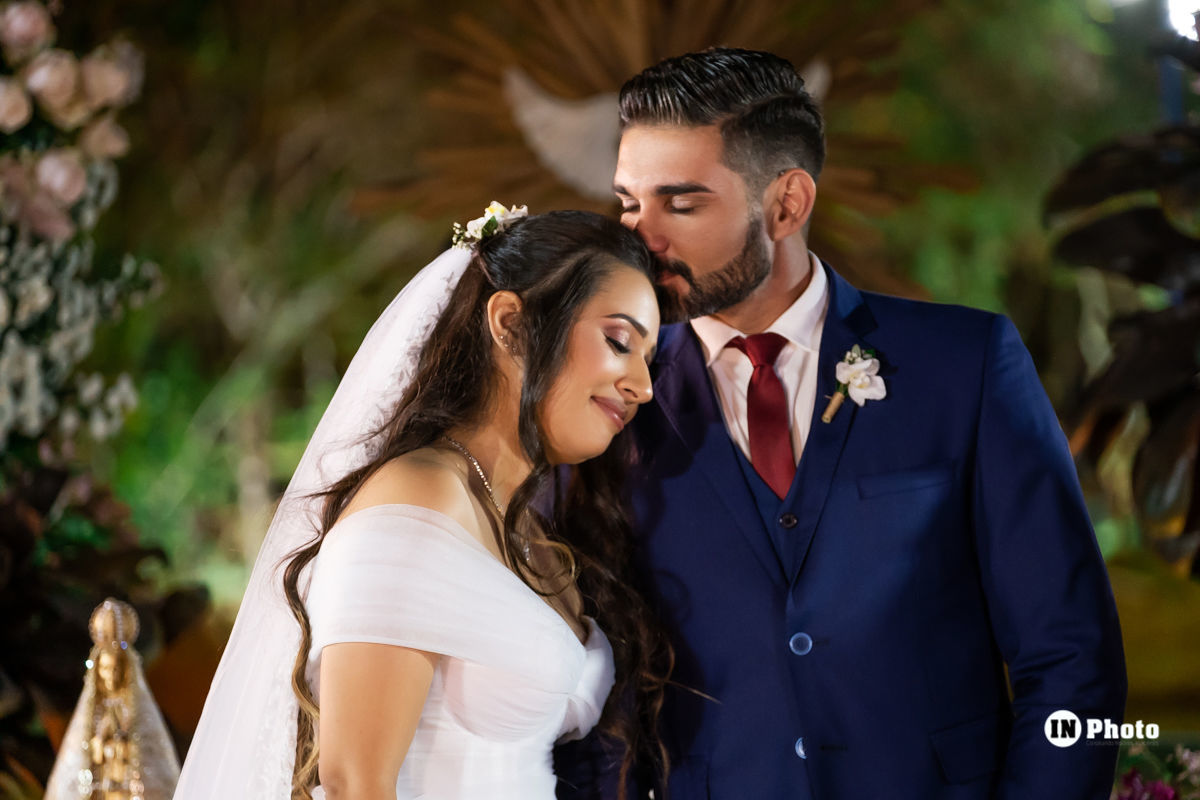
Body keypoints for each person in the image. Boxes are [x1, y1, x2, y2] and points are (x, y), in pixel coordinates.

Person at [556, 48, 1127, 799]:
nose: (641, 237)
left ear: (787, 204)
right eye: (629, 204)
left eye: (681, 203)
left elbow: (1073, 656)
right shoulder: (607, 401)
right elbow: (585, 680)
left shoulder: (967, 365)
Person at [173, 207, 671, 800]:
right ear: (511, 324)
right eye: (620, 342)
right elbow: (357, 781)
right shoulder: (418, 499)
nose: (642, 385)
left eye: (649, 359)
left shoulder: (529, 533)